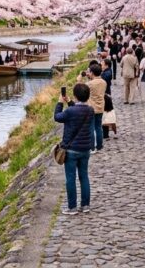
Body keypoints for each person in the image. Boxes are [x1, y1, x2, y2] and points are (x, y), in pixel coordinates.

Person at [54, 82, 94, 215]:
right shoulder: (90, 110)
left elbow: (57, 117)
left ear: (76, 95)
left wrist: (60, 103)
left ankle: (72, 207)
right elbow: (78, 111)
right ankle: (85, 205)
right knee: (84, 177)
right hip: (85, 149)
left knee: (70, 178)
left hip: (71, 150)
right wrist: (70, 101)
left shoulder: (70, 111)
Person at [86, 63, 107, 152]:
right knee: (98, 127)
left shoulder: (89, 84)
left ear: (92, 72)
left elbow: (84, 90)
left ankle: (92, 146)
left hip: (91, 107)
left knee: (91, 127)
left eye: (89, 72)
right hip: (101, 106)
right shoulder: (103, 82)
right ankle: (99, 145)